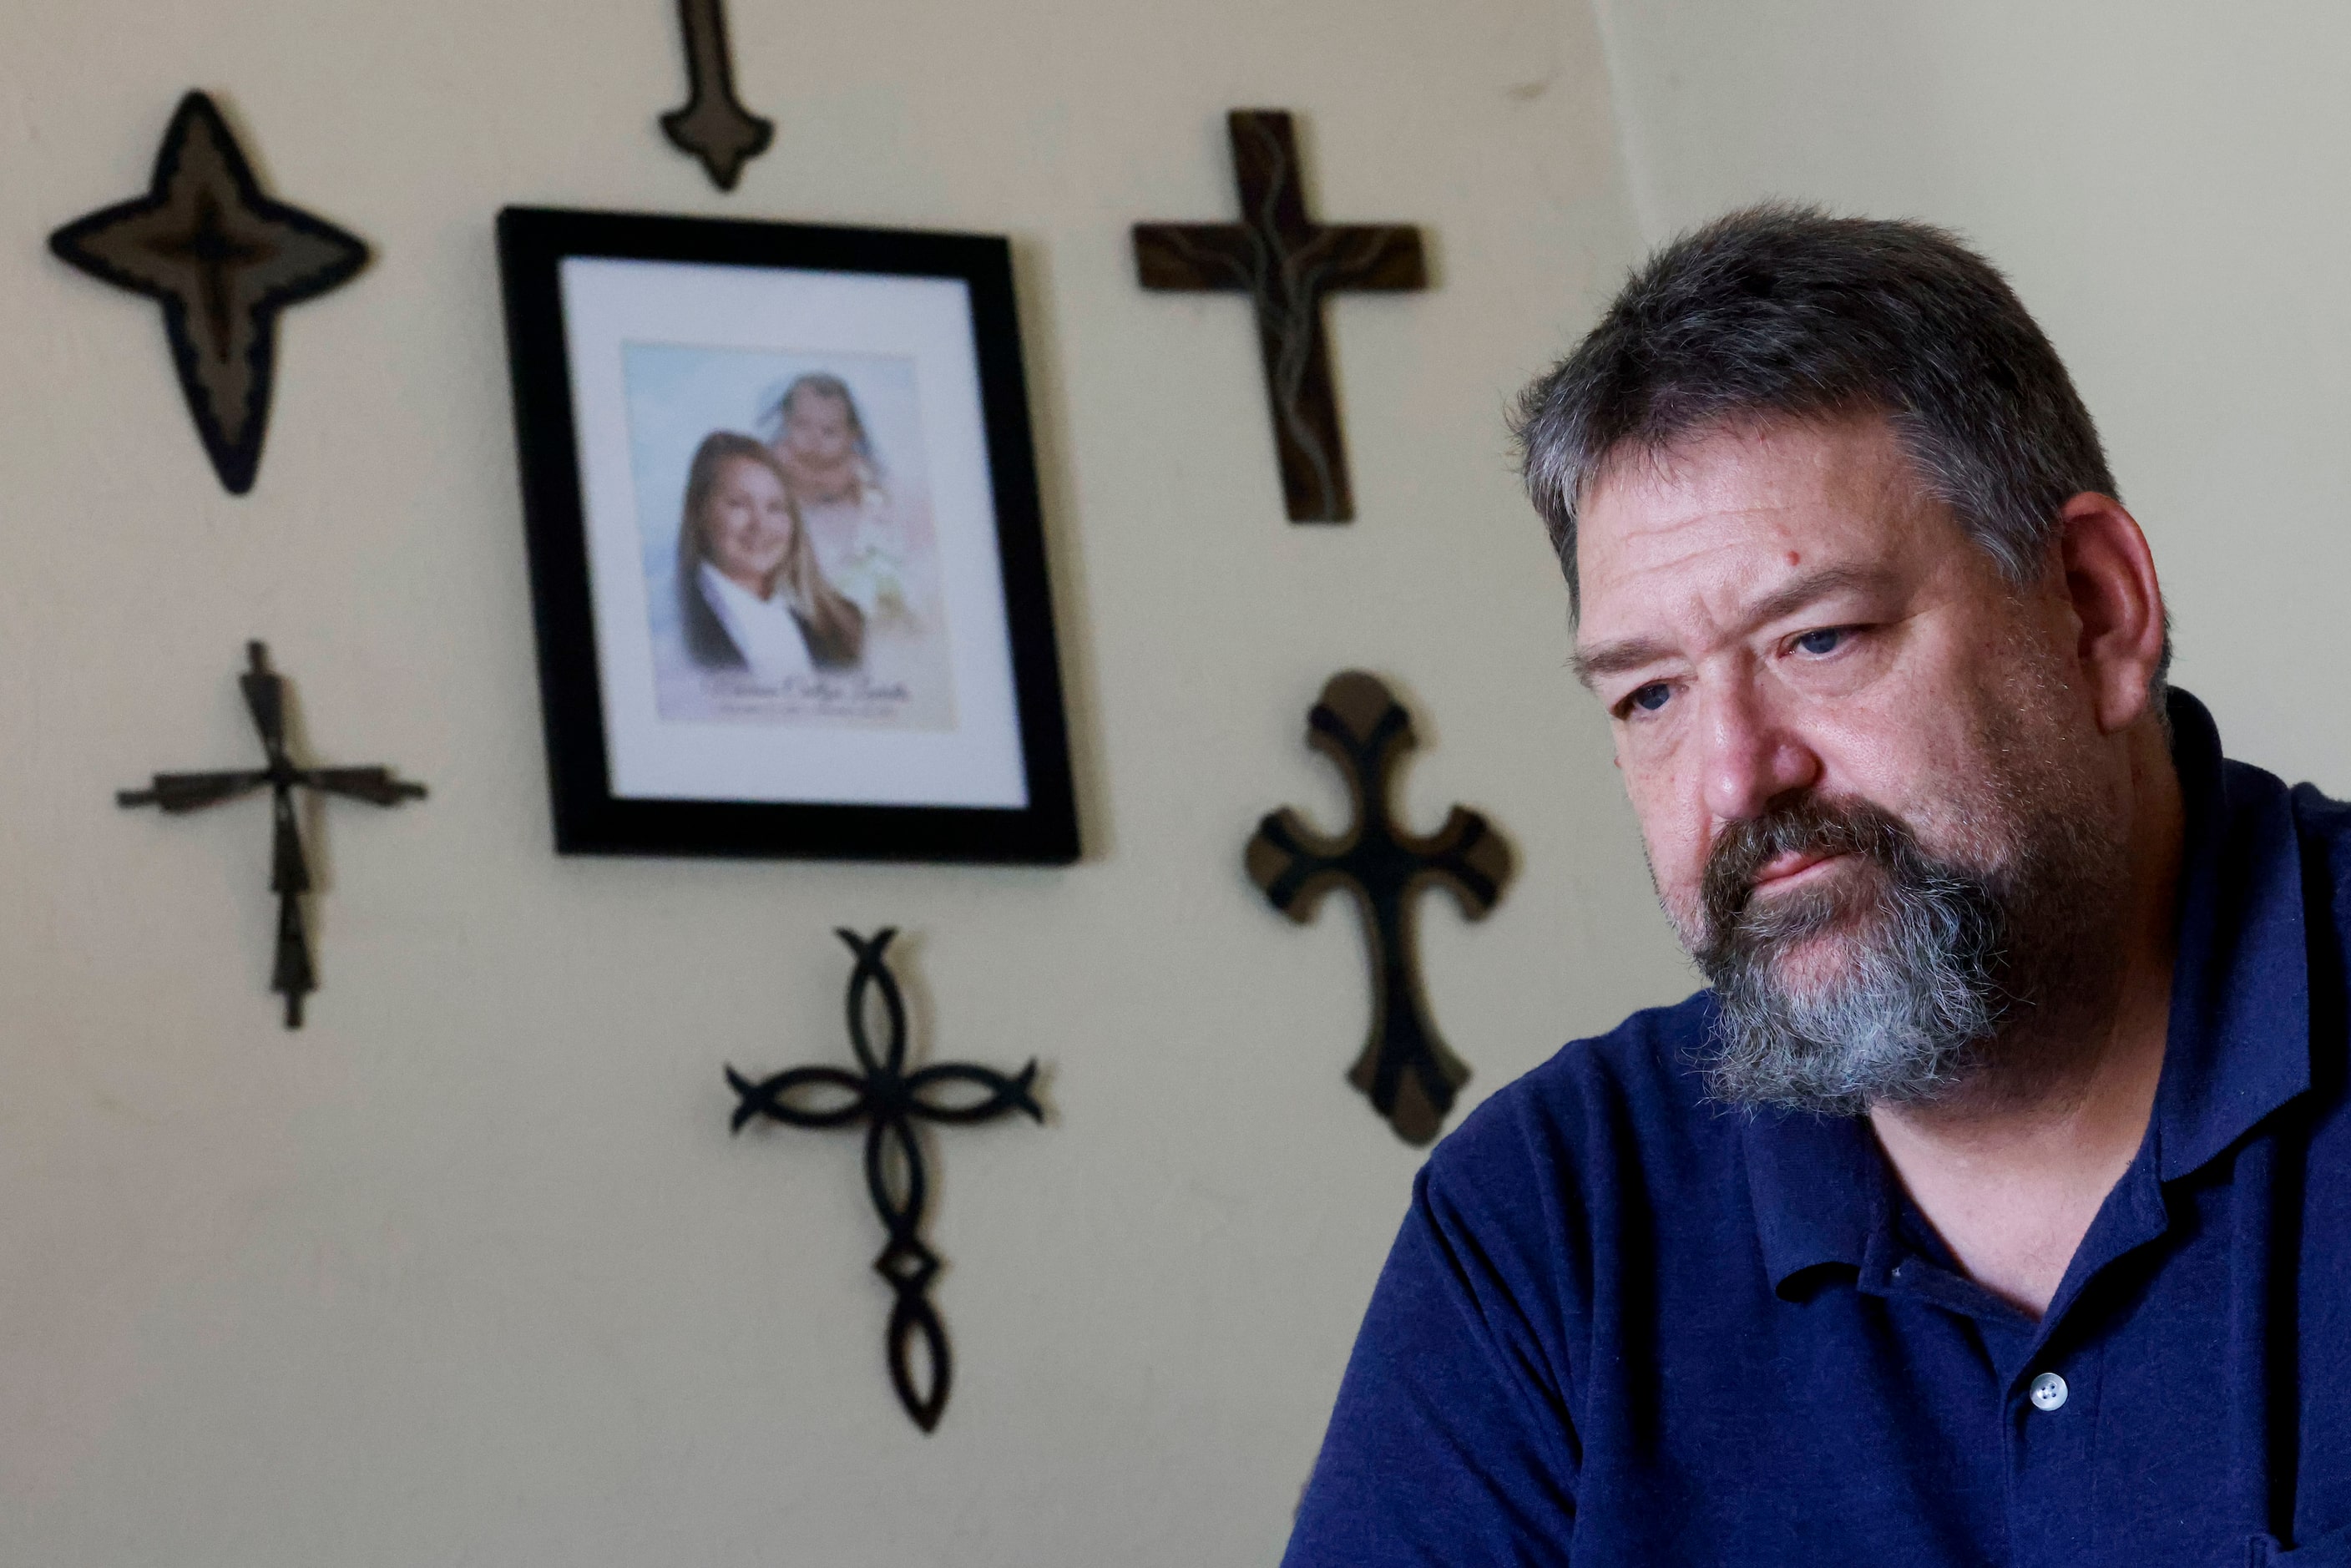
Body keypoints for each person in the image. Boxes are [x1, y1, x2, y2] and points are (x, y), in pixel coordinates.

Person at [1282, 205, 2351, 1565]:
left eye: (1818, 636)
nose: (1735, 777)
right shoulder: (1548, 1226)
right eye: (1651, 691)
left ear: (2094, 607)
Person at [674, 431, 862, 682]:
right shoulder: (678, 630)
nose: (760, 525)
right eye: (738, 504)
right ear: (700, 513)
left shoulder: (841, 628)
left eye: (775, 507)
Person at [764, 373, 923, 628]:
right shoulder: (780, 458)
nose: (814, 440)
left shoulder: (853, 468)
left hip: (842, 539)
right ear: (785, 421)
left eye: (829, 431)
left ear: (853, 434)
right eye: (802, 425)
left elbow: (876, 502)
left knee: (877, 566)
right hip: (795, 534)